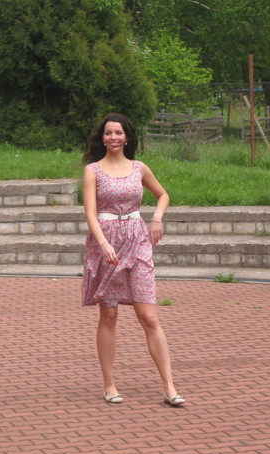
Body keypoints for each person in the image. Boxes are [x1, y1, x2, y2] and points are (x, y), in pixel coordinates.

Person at [81, 113, 185, 406]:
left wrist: (157, 218)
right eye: (108, 133)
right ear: (102, 138)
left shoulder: (139, 168)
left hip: (137, 240)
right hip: (107, 242)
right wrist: (103, 243)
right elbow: (90, 212)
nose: (113, 137)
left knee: (149, 317)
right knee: (109, 315)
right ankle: (109, 384)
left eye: (118, 133)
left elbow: (163, 195)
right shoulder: (93, 170)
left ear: (127, 137)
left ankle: (169, 387)